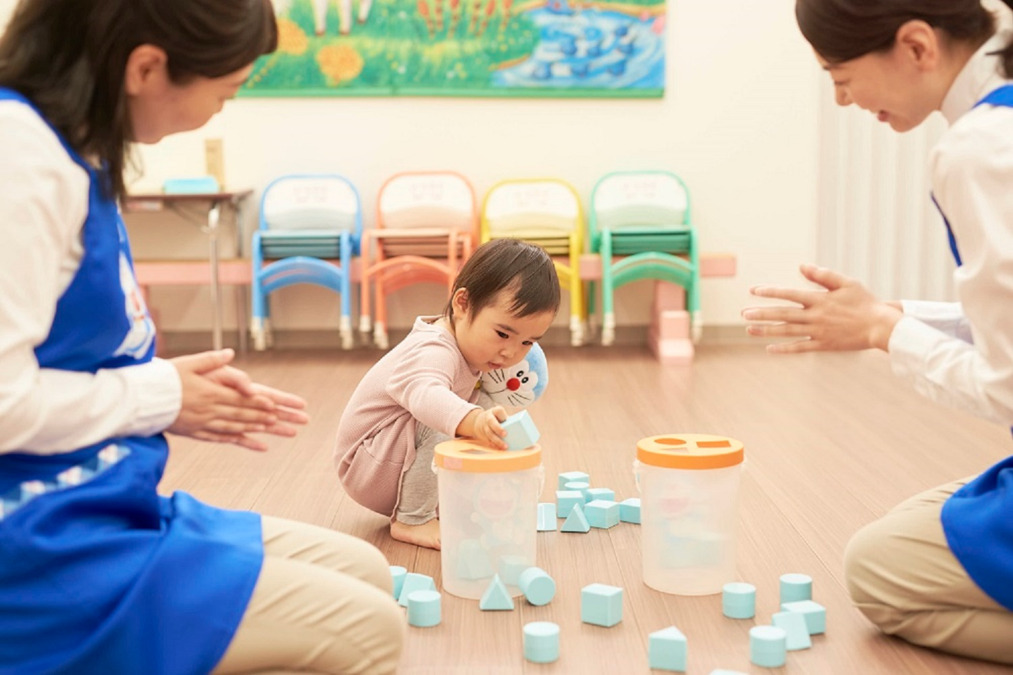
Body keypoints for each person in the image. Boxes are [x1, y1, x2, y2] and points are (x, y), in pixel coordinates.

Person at [0, 1, 403, 673]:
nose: (222, 109)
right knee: (368, 632)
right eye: (226, 90)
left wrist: (171, 387)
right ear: (147, 68)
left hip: (98, 500)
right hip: (39, 542)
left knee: (366, 570)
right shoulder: (20, 161)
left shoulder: (65, 149)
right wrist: (159, 394)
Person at [742, 0, 1013, 664]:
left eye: (840, 77)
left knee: (876, 570)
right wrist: (888, 314)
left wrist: (883, 330)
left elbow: (1007, 389)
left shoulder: (977, 149)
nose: (840, 101)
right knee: (926, 512)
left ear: (916, 46)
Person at [335, 238, 560, 550]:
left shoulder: (477, 349)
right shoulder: (434, 347)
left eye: (527, 342)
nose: (510, 352)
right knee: (452, 417)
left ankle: (468, 493)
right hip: (368, 463)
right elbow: (425, 395)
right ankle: (412, 519)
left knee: (488, 411)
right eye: (502, 334)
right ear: (462, 304)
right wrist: (474, 421)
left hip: (394, 460)